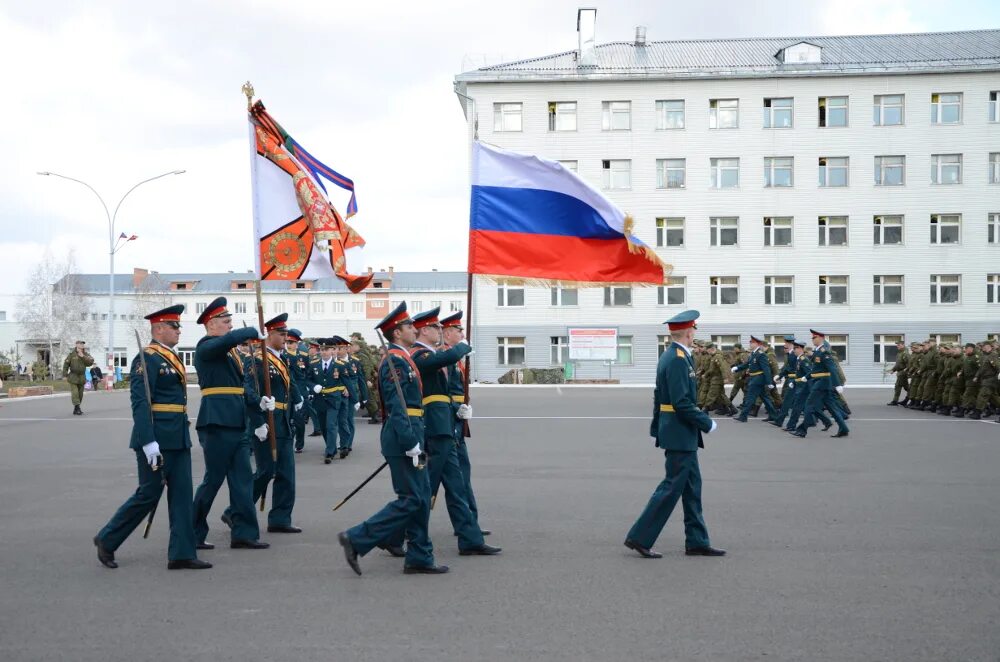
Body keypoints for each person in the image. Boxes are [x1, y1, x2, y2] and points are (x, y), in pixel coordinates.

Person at [93, 305, 210, 570]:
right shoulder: (147, 358)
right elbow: (140, 402)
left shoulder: (171, 357)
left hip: (178, 436)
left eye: (178, 326)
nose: (178, 331)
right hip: (156, 438)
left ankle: (182, 553)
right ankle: (107, 539)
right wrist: (148, 441)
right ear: (158, 329)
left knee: (182, 495)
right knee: (149, 493)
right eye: (174, 326)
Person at [338, 302, 447, 575]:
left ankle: (420, 556)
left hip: (412, 431)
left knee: (420, 497)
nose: (414, 330)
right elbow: (398, 407)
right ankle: (358, 537)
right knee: (412, 498)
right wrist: (410, 442)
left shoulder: (403, 357)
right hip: (403, 436)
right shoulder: (394, 361)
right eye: (409, 326)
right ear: (397, 333)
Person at [384, 308, 499, 557]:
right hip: (432, 432)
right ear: (426, 330)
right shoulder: (418, 355)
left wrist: (458, 410)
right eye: (436, 327)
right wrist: (462, 347)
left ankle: (469, 538)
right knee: (424, 490)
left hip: (445, 429)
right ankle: (393, 534)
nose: (440, 331)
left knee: (457, 486)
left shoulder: (434, 355)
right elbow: (438, 362)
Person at [625, 309, 724, 559]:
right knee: (671, 487)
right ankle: (639, 537)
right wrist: (706, 423)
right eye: (694, 332)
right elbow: (681, 402)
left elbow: (659, 396)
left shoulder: (673, 355)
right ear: (690, 333)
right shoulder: (678, 359)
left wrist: (655, 427)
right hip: (680, 432)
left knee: (692, 488)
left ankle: (697, 541)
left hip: (677, 431)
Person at [191, 297, 269, 551]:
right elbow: (226, 341)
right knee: (212, 480)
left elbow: (240, 387)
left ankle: (244, 532)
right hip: (216, 422)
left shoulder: (231, 353)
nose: (229, 326)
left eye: (230, 322)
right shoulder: (206, 347)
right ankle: (191, 532)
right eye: (226, 322)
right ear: (211, 324)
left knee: (242, 480)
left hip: (236, 421)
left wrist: (259, 404)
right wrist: (250, 331)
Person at [241, 313, 303, 534]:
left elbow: (290, 382)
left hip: (283, 422)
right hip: (266, 423)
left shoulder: (281, 357)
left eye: (286, 333)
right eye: (281, 333)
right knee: (266, 471)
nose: (286, 337)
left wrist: (297, 398)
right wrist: (258, 421)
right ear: (268, 334)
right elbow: (248, 390)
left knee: (286, 474)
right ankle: (236, 512)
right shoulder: (257, 358)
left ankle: (280, 518)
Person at [441, 311, 492, 534]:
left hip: (457, 424)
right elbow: (442, 394)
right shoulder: (444, 358)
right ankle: (398, 532)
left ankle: (469, 524)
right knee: (432, 486)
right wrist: (456, 408)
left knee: (462, 477)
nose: (462, 334)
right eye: (459, 330)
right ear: (448, 333)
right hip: (446, 425)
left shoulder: (455, 359)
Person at [792, 330, 849, 438]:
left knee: (809, 405)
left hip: (821, 383)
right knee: (832, 407)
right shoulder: (817, 351)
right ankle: (844, 429)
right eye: (812, 338)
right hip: (820, 382)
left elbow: (832, 368)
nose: (812, 340)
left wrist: (837, 384)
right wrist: (806, 376)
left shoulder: (824, 352)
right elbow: (815, 369)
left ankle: (802, 430)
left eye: (814, 338)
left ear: (821, 338)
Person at [306, 338, 347, 464]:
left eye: (326, 350)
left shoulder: (339, 365)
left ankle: (329, 452)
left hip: (333, 400)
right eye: (322, 350)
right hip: (319, 400)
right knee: (323, 427)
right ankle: (332, 447)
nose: (323, 352)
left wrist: (354, 397)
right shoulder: (314, 364)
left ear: (332, 350)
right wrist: (313, 387)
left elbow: (347, 381)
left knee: (331, 425)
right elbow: (307, 379)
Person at [730, 335, 778, 423]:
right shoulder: (753, 353)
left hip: (758, 379)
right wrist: (737, 368)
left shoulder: (761, 354)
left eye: (751, 342)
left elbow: (766, 369)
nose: (750, 344)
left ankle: (743, 416)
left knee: (750, 397)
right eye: (750, 342)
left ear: (757, 344)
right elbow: (747, 364)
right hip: (755, 378)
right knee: (765, 398)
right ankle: (774, 416)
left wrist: (769, 382)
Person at [63, 340, 95, 415]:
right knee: (75, 393)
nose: (82, 345)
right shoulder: (71, 354)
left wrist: (83, 357)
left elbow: (90, 362)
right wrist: (65, 375)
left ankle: (76, 408)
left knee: (80, 394)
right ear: (76, 344)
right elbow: (66, 364)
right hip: (73, 376)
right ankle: (77, 408)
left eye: (83, 344)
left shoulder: (85, 354)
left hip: (82, 376)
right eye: (80, 344)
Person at [887, 339, 909, 406]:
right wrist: (893, 370)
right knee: (906, 387)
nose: (897, 346)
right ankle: (914, 397)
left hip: (903, 373)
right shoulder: (899, 353)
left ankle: (895, 401)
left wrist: (905, 371)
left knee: (898, 386)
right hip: (900, 372)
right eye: (897, 345)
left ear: (903, 345)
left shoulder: (905, 353)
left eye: (899, 345)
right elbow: (898, 364)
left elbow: (909, 364)